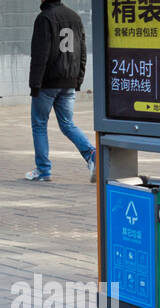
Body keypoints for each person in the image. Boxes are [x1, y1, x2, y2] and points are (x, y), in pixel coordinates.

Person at [26, 0, 94, 182]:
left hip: (48, 82)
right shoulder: (75, 17)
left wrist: (35, 84)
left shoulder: (44, 18)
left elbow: (40, 54)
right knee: (67, 124)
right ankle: (91, 154)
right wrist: (78, 79)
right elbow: (82, 51)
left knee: (39, 124)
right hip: (69, 81)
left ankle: (43, 170)